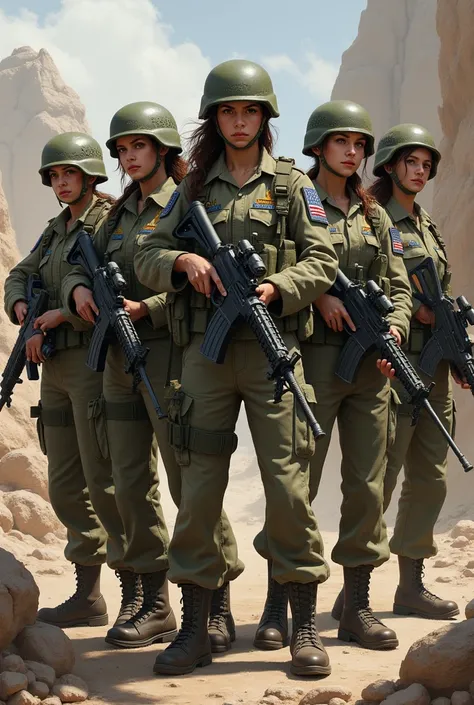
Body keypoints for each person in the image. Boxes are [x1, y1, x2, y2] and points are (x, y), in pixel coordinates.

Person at [135, 59, 339, 677]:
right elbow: (145, 250)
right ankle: (196, 628)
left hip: (273, 351)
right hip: (206, 355)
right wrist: (183, 264)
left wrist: (276, 288)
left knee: (288, 486)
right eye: (229, 110)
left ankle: (303, 624)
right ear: (214, 119)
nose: (241, 120)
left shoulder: (292, 184)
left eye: (251, 110)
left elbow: (323, 259)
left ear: (266, 118)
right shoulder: (189, 189)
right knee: (198, 489)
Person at [63, 102, 243, 650]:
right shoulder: (115, 214)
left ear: (163, 149)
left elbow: (209, 277)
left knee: (191, 481)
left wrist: (154, 308)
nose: (129, 156)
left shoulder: (186, 206)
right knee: (125, 481)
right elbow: (79, 258)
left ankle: (215, 602)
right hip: (117, 358)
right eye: (121, 149)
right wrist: (76, 289)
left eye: (138, 146)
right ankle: (151, 598)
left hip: (171, 355)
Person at [290, 100, 412, 650]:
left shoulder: (374, 214)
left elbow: (401, 285)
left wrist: (396, 329)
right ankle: (286, 606)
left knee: (366, 485)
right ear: (318, 146)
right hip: (316, 360)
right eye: (341, 142)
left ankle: (357, 607)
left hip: (370, 367)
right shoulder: (298, 198)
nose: (353, 152)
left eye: (360, 144)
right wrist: (317, 298)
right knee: (298, 483)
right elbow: (273, 269)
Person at [4, 132, 128, 628]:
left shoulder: (108, 223)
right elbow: (20, 272)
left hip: (95, 365)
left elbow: (112, 291)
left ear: (91, 175)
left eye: (69, 174)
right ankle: (88, 595)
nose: (61, 182)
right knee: (65, 483)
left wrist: (58, 317)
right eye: (54, 176)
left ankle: (140, 592)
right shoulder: (55, 230)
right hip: (55, 369)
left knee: (107, 482)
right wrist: (22, 308)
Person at [369, 123, 461, 619]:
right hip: (394, 366)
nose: (420, 172)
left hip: (434, 367)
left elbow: (441, 299)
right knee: (379, 477)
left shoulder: (427, 226)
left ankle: (410, 584)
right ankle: (356, 586)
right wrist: (412, 313)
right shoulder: (373, 220)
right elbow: (366, 282)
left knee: (430, 475)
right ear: (389, 165)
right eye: (412, 162)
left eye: (426, 165)